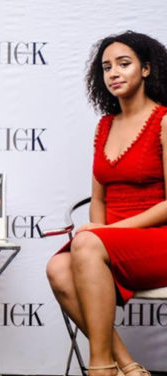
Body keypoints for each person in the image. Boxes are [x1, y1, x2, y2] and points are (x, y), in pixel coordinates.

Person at [46, 31, 167, 376]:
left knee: (85, 243)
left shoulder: (164, 121)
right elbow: (98, 197)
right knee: (57, 268)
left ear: (146, 69)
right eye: (106, 67)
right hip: (110, 241)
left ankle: (100, 367)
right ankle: (128, 367)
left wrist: (104, 233)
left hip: (158, 239)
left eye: (124, 64)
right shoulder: (104, 126)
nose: (114, 73)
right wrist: (101, 233)